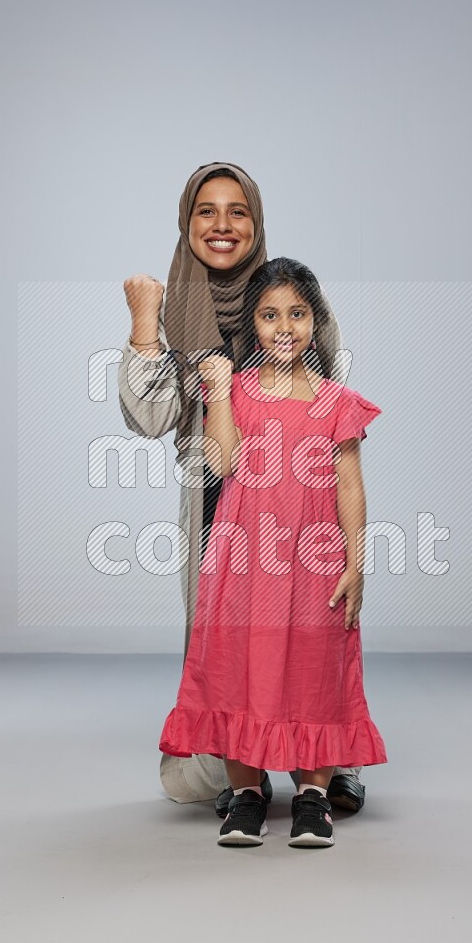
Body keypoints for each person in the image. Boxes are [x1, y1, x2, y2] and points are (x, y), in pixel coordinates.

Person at [118, 161, 368, 813]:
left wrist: (343, 539)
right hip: (215, 498)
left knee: (314, 628)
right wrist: (147, 326)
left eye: (238, 212)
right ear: (187, 221)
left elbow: (331, 400)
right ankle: (240, 772)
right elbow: (150, 418)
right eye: (207, 210)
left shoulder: (291, 296)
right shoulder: (170, 307)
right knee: (228, 640)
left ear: (255, 223)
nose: (222, 225)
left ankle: (327, 754)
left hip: (299, 498)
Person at [158, 258, 387, 847]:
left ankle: (312, 796)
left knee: (313, 670)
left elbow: (350, 484)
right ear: (252, 325)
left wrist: (355, 564)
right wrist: (216, 391)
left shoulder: (337, 400)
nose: (284, 326)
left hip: (313, 562)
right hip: (243, 562)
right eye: (269, 315)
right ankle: (249, 794)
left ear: (315, 321)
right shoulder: (232, 389)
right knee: (240, 669)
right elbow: (225, 462)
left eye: (297, 313)